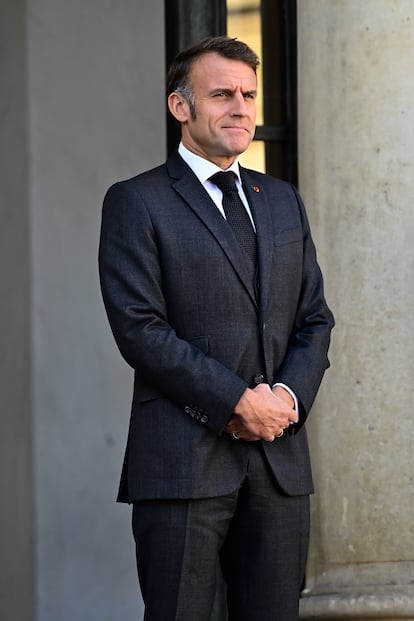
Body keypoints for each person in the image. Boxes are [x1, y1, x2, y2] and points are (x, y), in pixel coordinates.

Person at [99, 35, 334, 621]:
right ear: (180, 106)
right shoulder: (136, 201)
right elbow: (140, 329)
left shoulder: (282, 200)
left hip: (279, 463)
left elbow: (314, 318)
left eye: (249, 95)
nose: (240, 108)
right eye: (222, 95)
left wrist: (286, 399)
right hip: (182, 462)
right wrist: (235, 401)